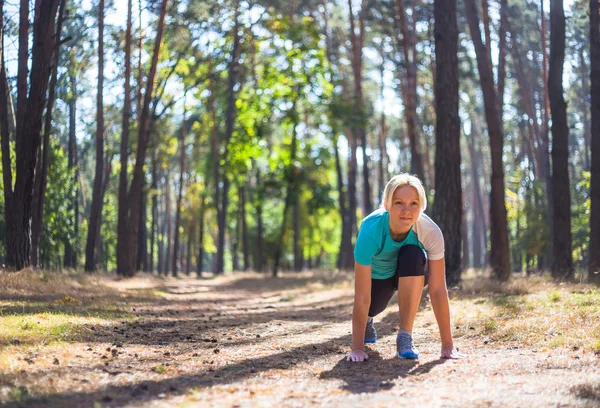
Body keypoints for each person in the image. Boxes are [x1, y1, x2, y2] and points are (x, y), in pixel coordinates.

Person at [346, 173, 466, 362]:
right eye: (399, 203)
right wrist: (357, 348)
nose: (406, 210)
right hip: (379, 278)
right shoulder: (370, 230)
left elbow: (438, 290)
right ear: (387, 205)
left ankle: (405, 337)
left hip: (412, 271)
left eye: (413, 204)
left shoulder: (430, 231)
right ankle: (368, 320)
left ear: (421, 207)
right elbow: (361, 295)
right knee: (372, 307)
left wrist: (447, 345)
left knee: (413, 254)